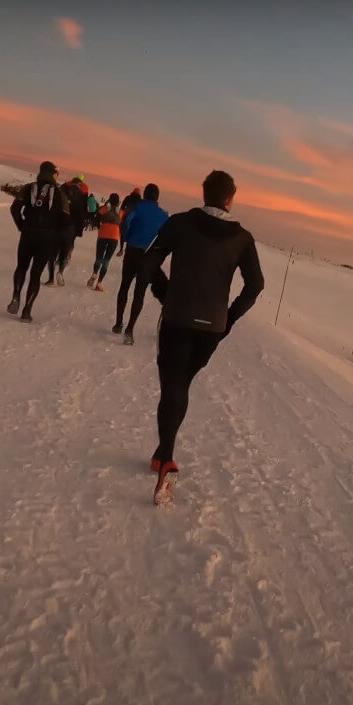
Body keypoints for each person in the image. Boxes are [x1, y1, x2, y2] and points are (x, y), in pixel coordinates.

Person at [143, 170, 264, 503]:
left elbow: (149, 259)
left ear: (204, 193)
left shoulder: (180, 224)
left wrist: (163, 291)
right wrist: (229, 319)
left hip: (177, 319)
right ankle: (161, 453)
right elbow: (256, 286)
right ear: (230, 198)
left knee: (173, 387)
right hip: (211, 328)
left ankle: (165, 458)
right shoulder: (243, 239)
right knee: (181, 385)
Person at [7, 161, 70, 322]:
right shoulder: (59, 193)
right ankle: (27, 310)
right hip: (47, 238)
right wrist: (60, 241)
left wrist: (22, 225)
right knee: (35, 275)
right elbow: (65, 220)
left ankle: (16, 296)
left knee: (21, 267)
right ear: (53, 174)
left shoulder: (29, 188)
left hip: (28, 233)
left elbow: (15, 208)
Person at [113, 183, 169, 345]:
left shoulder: (136, 208)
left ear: (145, 195)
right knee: (140, 293)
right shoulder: (163, 215)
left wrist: (128, 238)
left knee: (124, 286)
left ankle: (118, 324)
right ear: (157, 197)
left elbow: (126, 225)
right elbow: (164, 237)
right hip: (149, 255)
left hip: (132, 251)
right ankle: (129, 330)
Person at [46, 176, 86, 286]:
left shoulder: (61, 190)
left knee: (52, 253)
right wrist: (79, 230)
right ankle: (60, 272)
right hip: (70, 228)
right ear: (80, 183)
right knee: (65, 251)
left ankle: (50, 279)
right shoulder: (81, 194)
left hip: (57, 225)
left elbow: (52, 206)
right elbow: (81, 214)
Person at [87, 193, 121, 291]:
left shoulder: (105, 208)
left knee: (99, 257)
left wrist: (98, 226)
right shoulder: (120, 212)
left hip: (103, 234)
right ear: (118, 202)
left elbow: (96, 217)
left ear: (109, 200)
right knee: (106, 260)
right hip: (114, 236)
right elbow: (123, 224)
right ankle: (99, 283)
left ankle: (94, 274)